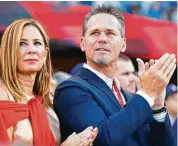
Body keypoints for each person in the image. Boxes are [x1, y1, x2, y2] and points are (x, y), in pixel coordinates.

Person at [53, 5, 176, 146]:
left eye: (110, 33)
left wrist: (157, 105)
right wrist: (147, 92)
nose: (102, 39)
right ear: (82, 43)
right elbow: (103, 139)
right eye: (94, 33)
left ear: (123, 44)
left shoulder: (130, 97)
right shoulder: (71, 90)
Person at [0, 19, 98, 146]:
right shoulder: (3, 96)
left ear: (45, 53)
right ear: (8, 51)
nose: (32, 50)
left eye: (37, 43)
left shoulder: (47, 101)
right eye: (22, 43)